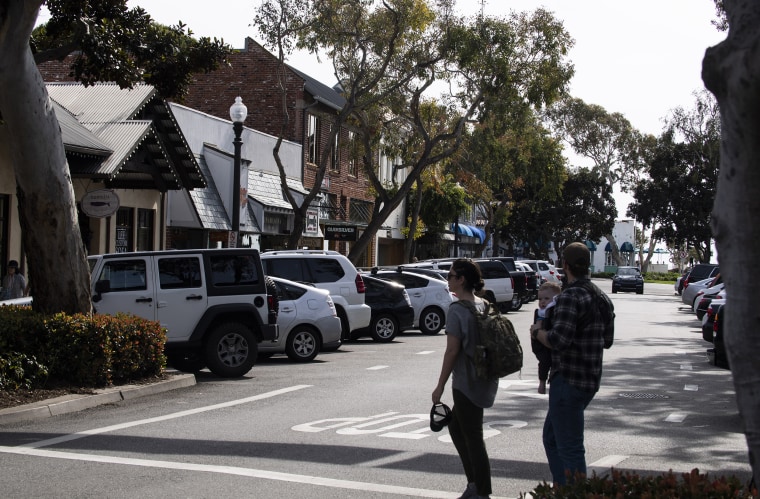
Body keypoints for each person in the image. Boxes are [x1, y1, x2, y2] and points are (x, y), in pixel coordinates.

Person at [530, 242, 614, 485]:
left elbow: (558, 340)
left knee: (569, 447)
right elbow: (607, 341)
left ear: (565, 265)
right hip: (589, 379)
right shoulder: (600, 296)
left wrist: (537, 332)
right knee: (553, 438)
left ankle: (572, 491)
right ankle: (563, 487)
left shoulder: (570, 297)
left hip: (568, 379)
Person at [432, 259, 498, 499]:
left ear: (461, 280)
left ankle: (481, 491)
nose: (448, 279)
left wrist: (439, 386)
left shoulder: (458, 310)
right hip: (486, 378)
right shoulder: (485, 304)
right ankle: (474, 484)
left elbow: (452, 351)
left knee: (473, 437)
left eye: (451, 275)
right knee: (457, 427)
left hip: (466, 383)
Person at [532, 281, 562, 394]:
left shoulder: (555, 309)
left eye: (546, 298)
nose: (542, 302)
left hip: (549, 340)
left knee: (547, 361)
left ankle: (543, 383)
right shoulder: (539, 312)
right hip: (539, 342)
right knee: (543, 362)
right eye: (540, 299)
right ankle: (542, 382)